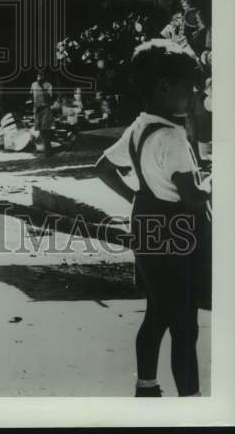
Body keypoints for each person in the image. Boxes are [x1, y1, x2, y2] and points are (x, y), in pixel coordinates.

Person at [95, 40, 211, 398]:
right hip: (179, 234)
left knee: (157, 311)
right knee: (185, 325)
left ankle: (146, 386)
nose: (193, 93)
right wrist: (212, 179)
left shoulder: (140, 127)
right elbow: (191, 199)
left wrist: (136, 196)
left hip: (147, 227)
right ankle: (190, 402)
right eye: (188, 85)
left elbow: (103, 167)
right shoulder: (174, 137)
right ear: (164, 87)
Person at [30, 68, 54, 155]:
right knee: (41, 130)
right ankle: (46, 148)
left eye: (42, 74)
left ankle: (48, 150)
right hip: (37, 110)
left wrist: (42, 87)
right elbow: (31, 96)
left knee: (46, 129)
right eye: (38, 75)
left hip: (45, 109)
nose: (40, 76)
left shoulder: (48, 85)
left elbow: (49, 98)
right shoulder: (33, 85)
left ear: (44, 76)